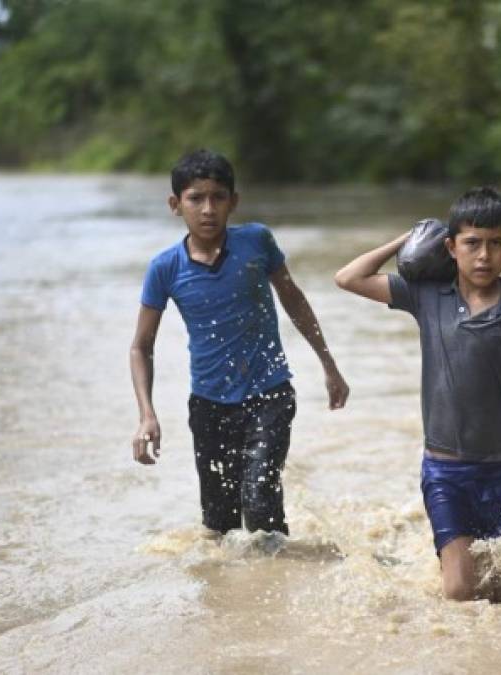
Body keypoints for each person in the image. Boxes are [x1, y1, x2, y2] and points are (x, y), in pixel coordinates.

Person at [334, 186, 501, 601]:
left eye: (496, 244)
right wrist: (410, 237)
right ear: (450, 247)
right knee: (458, 591)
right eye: (471, 244)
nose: (484, 256)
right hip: (445, 470)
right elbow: (349, 277)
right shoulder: (426, 296)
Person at [130, 149, 349, 538]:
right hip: (209, 406)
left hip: (270, 394)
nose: (208, 209)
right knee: (219, 525)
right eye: (195, 198)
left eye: (218, 197)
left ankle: (276, 583)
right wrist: (147, 414)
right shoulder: (165, 268)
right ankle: (230, 595)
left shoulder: (256, 243)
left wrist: (329, 367)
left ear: (234, 201)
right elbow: (141, 346)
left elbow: (294, 300)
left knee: (260, 501)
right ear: (175, 205)